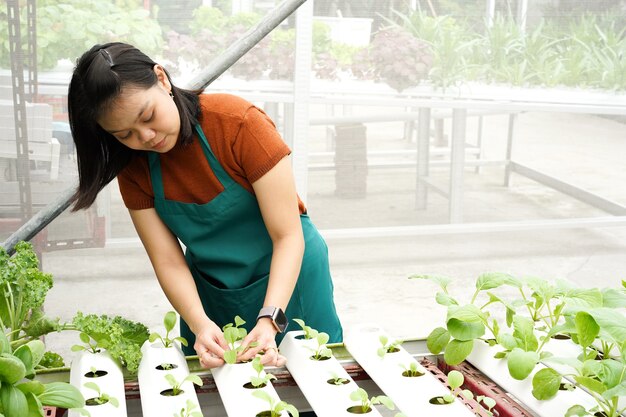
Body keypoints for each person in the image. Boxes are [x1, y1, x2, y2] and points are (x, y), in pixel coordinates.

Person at [67, 42, 343, 368]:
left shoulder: (238, 124)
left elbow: (287, 236)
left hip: (291, 280)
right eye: (125, 133)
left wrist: (270, 320)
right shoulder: (134, 168)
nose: (146, 137)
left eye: (148, 116)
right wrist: (200, 324)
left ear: (162, 79)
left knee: (315, 379)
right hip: (214, 294)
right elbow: (168, 260)